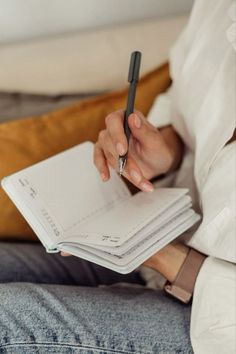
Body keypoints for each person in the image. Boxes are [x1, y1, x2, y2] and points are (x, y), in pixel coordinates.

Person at [0, 0, 235, 353]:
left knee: (7, 317)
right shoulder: (219, 8)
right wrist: (164, 149)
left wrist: (165, 256)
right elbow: (180, 94)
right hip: (155, 247)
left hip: (211, 323)